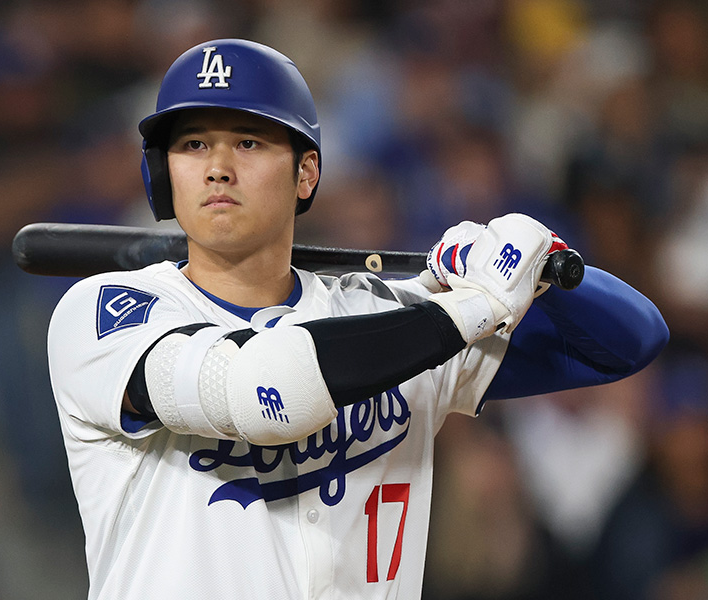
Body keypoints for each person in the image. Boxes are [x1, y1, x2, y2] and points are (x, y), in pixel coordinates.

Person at [46, 39, 668, 600]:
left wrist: (542, 260)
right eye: (193, 144)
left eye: (249, 142)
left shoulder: (383, 315)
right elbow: (266, 393)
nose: (217, 167)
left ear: (306, 172)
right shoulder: (106, 316)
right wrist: (475, 302)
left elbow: (630, 341)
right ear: (164, 173)